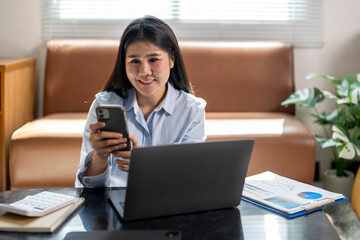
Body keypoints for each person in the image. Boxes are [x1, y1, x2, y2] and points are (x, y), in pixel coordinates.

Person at [75, 16, 206, 187]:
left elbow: (190, 181)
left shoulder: (191, 110)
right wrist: (99, 158)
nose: (144, 71)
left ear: (172, 60)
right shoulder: (104, 105)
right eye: (135, 61)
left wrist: (148, 167)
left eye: (154, 59)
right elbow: (88, 188)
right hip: (113, 206)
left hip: (168, 205)